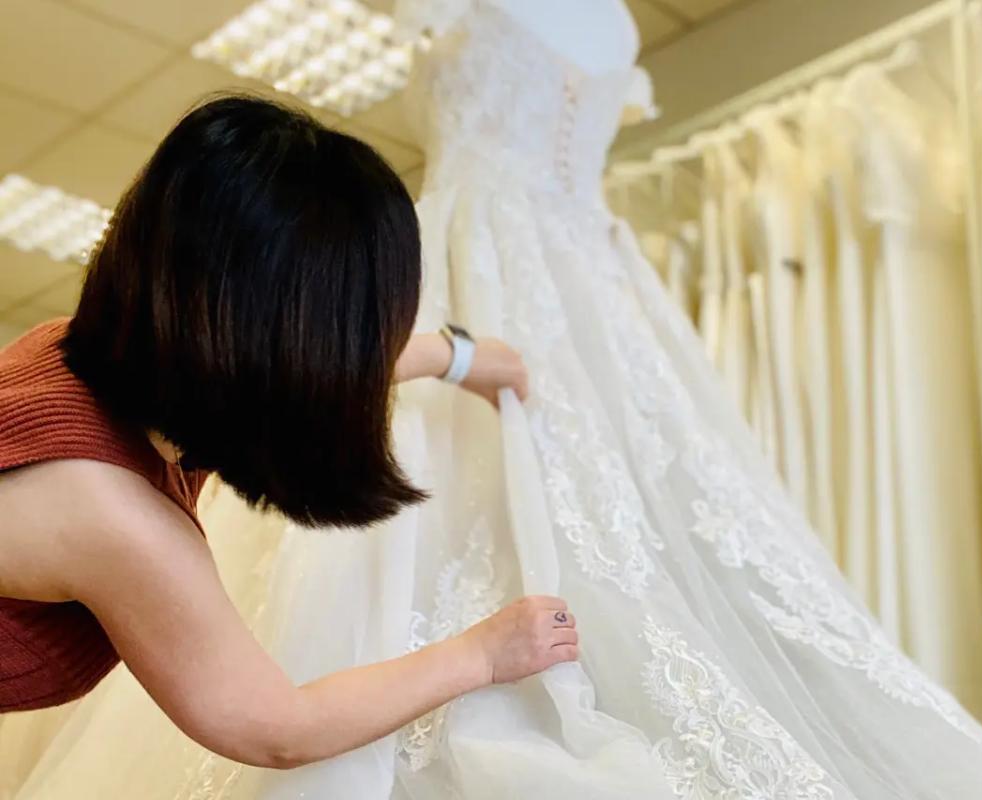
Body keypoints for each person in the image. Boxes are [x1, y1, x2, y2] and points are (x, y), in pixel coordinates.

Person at [0, 95, 580, 768]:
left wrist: (455, 355)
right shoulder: (119, 523)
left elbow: (293, 362)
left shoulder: (93, 354)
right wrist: (484, 652)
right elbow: (274, 726)